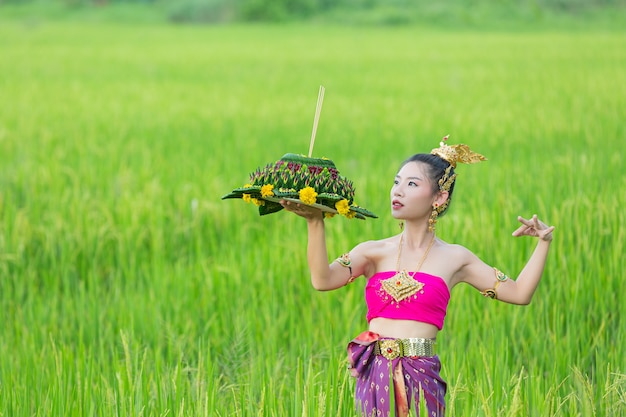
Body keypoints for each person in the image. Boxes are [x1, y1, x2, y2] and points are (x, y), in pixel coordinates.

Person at [280, 138, 555, 417]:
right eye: (397, 182)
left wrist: (543, 243)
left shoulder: (456, 258)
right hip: (375, 376)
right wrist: (314, 223)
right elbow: (322, 280)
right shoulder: (372, 252)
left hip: (422, 376)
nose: (398, 191)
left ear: (439, 198)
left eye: (412, 184)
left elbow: (520, 293)